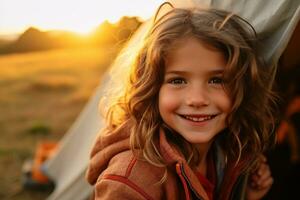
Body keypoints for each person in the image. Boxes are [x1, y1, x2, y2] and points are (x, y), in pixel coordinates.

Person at [86, 3, 276, 200]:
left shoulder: (223, 152)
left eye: (216, 80)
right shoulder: (130, 183)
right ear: (151, 90)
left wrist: (245, 195)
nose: (197, 99)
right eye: (177, 81)